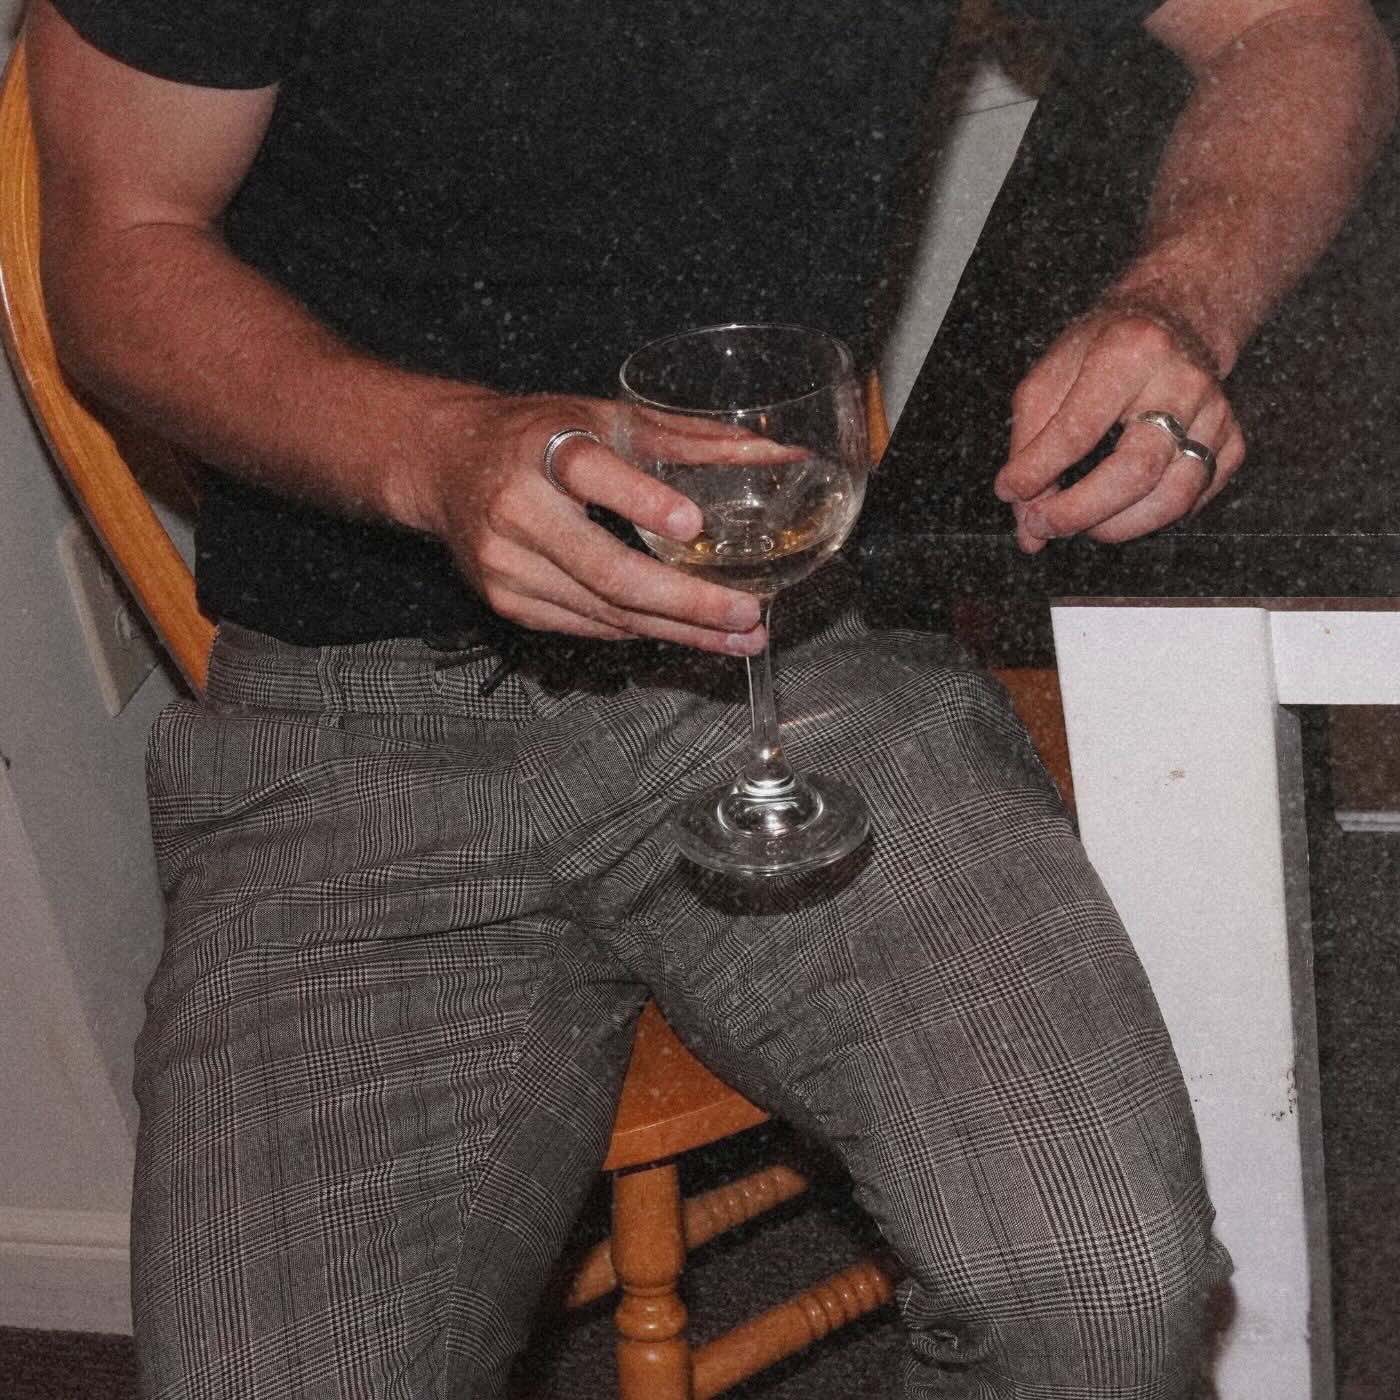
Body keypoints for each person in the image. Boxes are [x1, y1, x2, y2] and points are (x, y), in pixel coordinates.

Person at [26, 0, 1394, 1396]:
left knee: (1100, 1287)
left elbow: (1295, 26)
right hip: (351, 712)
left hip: (788, 645)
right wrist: (433, 453)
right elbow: (117, 252)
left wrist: (1178, 304)